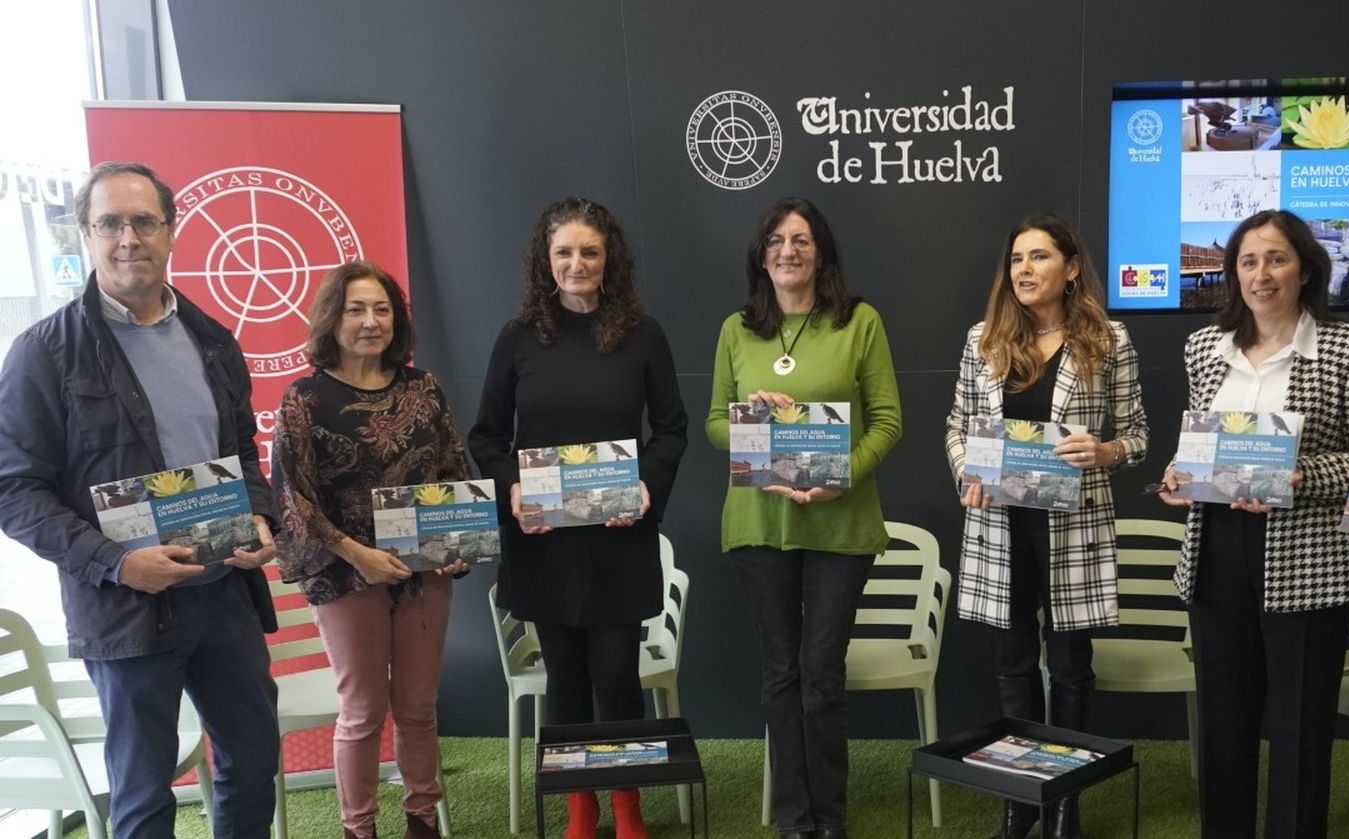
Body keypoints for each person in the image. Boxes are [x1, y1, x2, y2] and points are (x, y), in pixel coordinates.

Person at [0, 161, 281, 838]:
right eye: (110, 224)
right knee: (143, 794)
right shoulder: (43, 352)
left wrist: (260, 513)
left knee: (253, 763)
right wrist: (118, 562)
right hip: (125, 607)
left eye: (144, 222)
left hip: (222, 592)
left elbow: (242, 450)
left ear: (171, 231)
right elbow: (13, 488)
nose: (129, 239)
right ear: (85, 234)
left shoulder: (213, 340)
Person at [1156, 208, 1349, 838]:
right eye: (1249, 261)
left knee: (1300, 726)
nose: (1262, 274)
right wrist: (1181, 474)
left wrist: (1300, 474)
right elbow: (1199, 442)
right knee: (1223, 720)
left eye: (1277, 259)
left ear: (1305, 269)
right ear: (1234, 272)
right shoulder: (1205, 347)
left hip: (1307, 557)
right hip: (1216, 551)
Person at [469, 197, 687, 839]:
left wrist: (647, 487)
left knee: (617, 674)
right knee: (564, 676)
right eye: (564, 252)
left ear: (609, 258)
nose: (577, 263)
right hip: (545, 540)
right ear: (545, 260)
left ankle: (627, 804)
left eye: (590, 251)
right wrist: (512, 491)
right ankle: (578, 806)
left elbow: (671, 429)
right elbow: (486, 436)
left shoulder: (643, 335)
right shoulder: (518, 337)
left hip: (619, 537)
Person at [944, 213, 1149, 839]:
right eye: (1016, 259)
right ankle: (1021, 800)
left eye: (1039, 257)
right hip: (1000, 526)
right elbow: (957, 425)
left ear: (1072, 268)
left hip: (1073, 528)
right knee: (1012, 665)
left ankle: (1064, 805)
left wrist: (1107, 451)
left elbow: (1138, 434)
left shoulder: (1108, 340)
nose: (1025, 270)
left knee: (1069, 667)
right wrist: (966, 472)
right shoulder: (983, 339)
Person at [706, 197, 902, 839]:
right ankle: (793, 819)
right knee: (781, 673)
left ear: (821, 253)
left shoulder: (859, 322)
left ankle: (830, 817)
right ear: (760, 255)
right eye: (775, 240)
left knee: (822, 675)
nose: (787, 251)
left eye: (801, 240)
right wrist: (753, 421)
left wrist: (839, 476)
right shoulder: (737, 329)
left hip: (839, 526)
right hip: (760, 524)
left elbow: (887, 422)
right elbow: (714, 423)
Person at [271, 261, 471, 839]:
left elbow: (454, 471)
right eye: (355, 309)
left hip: (422, 573)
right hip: (344, 575)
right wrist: (358, 554)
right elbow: (291, 496)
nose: (370, 321)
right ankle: (359, 828)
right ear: (332, 319)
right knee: (362, 712)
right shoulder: (304, 398)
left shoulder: (423, 388)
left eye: (382, 309)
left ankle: (422, 821)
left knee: (418, 707)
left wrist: (459, 542)